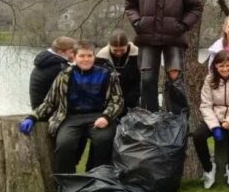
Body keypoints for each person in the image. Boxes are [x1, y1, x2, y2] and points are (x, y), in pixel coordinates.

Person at [19, 41, 124, 174]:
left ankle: (97, 178)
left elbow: (117, 101)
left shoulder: (107, 74)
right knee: (64, 144)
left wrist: (106, 117)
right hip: (71, 117)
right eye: (82, 56)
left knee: (103, 141)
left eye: (89, 56)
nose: (86, 59)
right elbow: (50, 102)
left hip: (99, 116)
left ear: (94, 56)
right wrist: (32, 117)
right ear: (74, 57)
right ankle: (67, 182)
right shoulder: (64, 75)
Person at [124, 0, 204, 112]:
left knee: (175, 79)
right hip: (146, 38)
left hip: (173, 38)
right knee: (146, 79)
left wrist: (182, 25)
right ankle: (149, 118)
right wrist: (138, 22)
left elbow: (196, 7)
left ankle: (176, 120)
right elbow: (130, 5)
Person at [193, 49, 229, 190]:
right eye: (221, 66)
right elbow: (205, 105)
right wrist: (214, 126)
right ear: (215, 67)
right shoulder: (210, 80)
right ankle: (208, 168)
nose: (224, 69)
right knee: (198, 135)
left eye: (227, 65)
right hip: (214, 117)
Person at [96, 30, 141, 110]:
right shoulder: (101, 56)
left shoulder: (137, 53)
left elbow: (138, 78)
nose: (119, 53)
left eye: (122, 50)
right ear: (110, 46)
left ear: (127, 45)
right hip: (110, 93)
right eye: (115, 50)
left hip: (132, 91)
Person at [29, 36, 76, 108]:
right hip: (47, 111)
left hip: (38, 107)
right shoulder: (60, 67)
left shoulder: (46, 62)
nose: (75, 55)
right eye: (72, 52)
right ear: (61, 52)